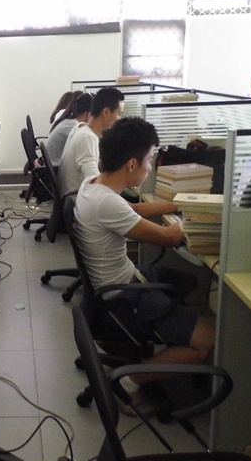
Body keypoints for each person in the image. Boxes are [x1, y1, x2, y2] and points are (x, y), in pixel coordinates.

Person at [74, 117, 215, 415]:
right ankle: (130, 382)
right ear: (132, 164)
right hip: (123, 298)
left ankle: (172, 338)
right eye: (150, 160)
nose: (150, 167)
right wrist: (204, 216)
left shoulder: (93, 186)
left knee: (189, 282)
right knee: (208, 341)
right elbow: (169, 238)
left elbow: (133, 209)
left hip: (121, 283)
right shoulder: (106, 203)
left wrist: (177, 204)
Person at [57, 87, 124, 196]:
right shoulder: (87, 138)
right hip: (75, 199)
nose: (120, 119)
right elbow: (95, 182)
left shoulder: (80, 128)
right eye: (119, 114)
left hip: (73, 196)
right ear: (106, 112)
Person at [45, 92, 93, 167]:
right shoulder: (73, 126)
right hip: (57, 167)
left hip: (55, 165)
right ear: (88, 114)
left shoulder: (70, 122)